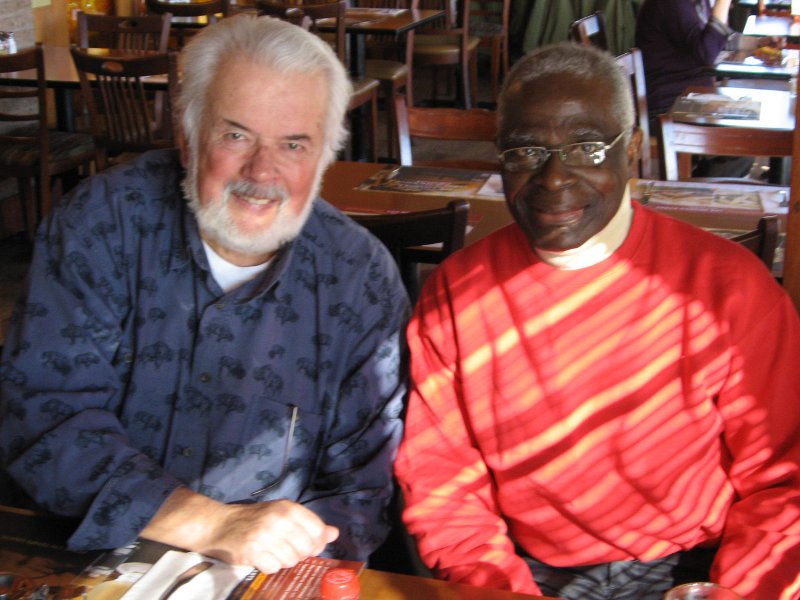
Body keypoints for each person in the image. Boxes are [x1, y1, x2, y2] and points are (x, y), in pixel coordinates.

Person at [0, 15, 410, 575]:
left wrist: (286, 570)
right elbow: (44, 416)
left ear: (323, 156)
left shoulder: (361, 277)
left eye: (293, 144)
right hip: (88, 555)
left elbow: (359, 490)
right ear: (188, 139)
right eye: (235, 134)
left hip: (270, 575)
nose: (262, 172)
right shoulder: (100, 225)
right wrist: (211, 524)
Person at [394, 43, 800, 600]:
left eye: (586, 148)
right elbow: (444, 486)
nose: (554, 178)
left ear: (630, 150)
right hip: (527, 570)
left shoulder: (727, 287)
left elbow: (784, 478)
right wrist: (497, 588)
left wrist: (738, 593)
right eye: (525, 152)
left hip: (694, 567)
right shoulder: (456, 294)